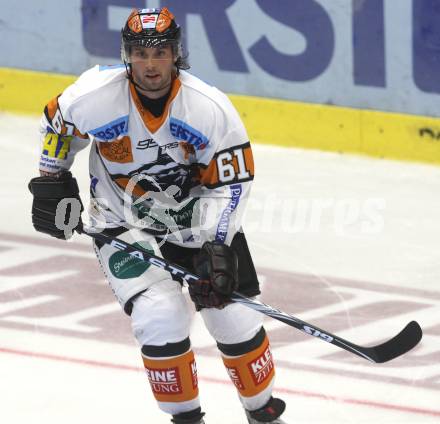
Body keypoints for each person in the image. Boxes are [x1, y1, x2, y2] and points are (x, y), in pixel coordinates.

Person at [28, 7, 287, 424]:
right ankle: (186, 419)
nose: (151, 65)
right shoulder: (94, 95)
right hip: (120, 220)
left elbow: (232, 184)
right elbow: (57, 126)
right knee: (159, 315)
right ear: (127, 55)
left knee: (232, 316)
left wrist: (218, 244)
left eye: (161, 53)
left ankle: (264, 413)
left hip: (194, 219)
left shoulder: (208, 109)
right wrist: (51, 178)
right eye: (141, 54)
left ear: (176, 53)